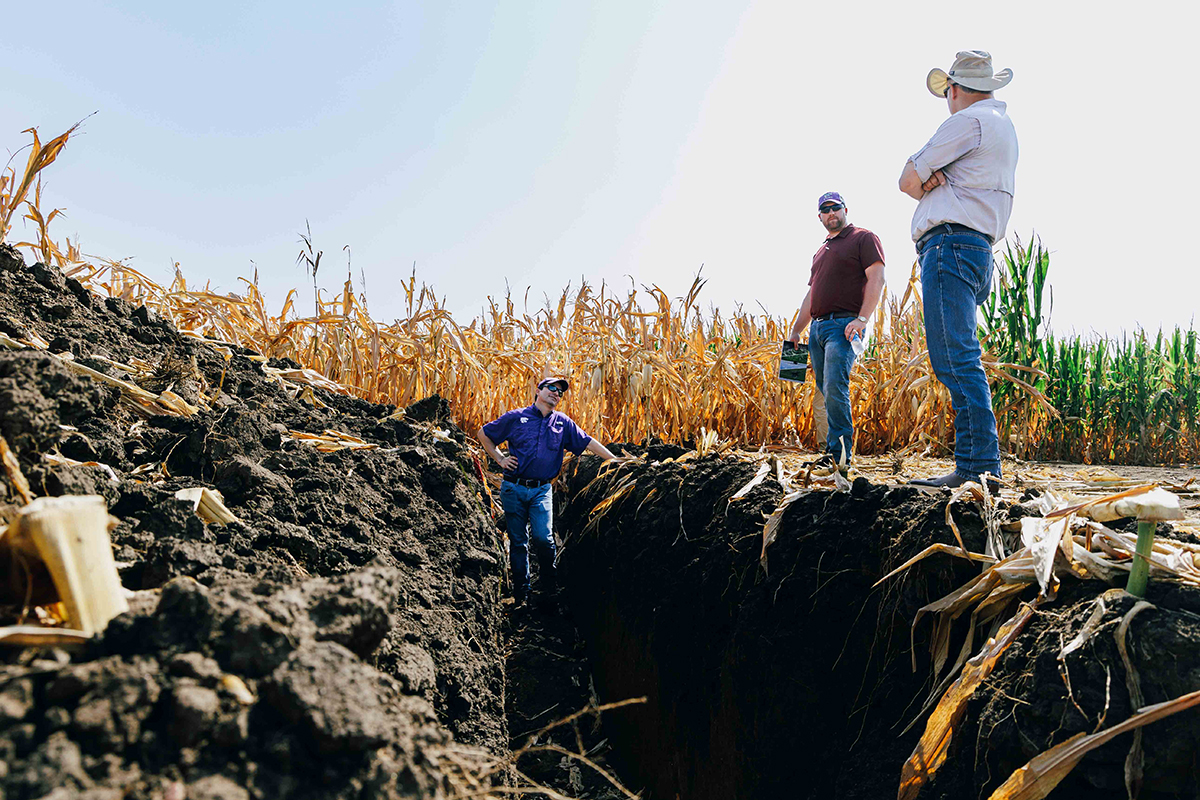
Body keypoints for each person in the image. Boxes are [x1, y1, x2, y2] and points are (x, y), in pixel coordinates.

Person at [898, 50, 1018, 490]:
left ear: (954, 89)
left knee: (955, 357)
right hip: (977, 248)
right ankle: (978, 464)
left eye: (946, 92)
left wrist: (927, 177)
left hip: (949, 245)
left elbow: (907, 180)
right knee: (961, 355)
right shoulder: (1002, 126)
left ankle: (978, 468)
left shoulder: (967, 121)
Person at [477, 376, 616, 609]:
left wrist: (615, 459)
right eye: (551, 388)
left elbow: (588, 442)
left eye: (560, 392)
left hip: (542, 490)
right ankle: (522, 593)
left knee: (543, 538)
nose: (556, 393)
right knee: (519, 541)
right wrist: (500, 458)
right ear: (538, 391)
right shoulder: (515, 417)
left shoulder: (562, 423)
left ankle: (549, 587)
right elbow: (484, 434)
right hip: (513, 488)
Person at [787, 191, 885, 467]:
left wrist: (862, 320)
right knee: (825, 388)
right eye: (825, 210)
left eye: (836, 208)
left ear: (845, 210)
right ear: (819, 216)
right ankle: (833, 450)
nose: (831, 213)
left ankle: (840, 456)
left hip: (844, 326)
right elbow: (811, 296)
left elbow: (877, 278)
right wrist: (796, 331)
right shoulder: (820, 252)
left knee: (834, 385)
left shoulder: (863, 238)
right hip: (817, 329)